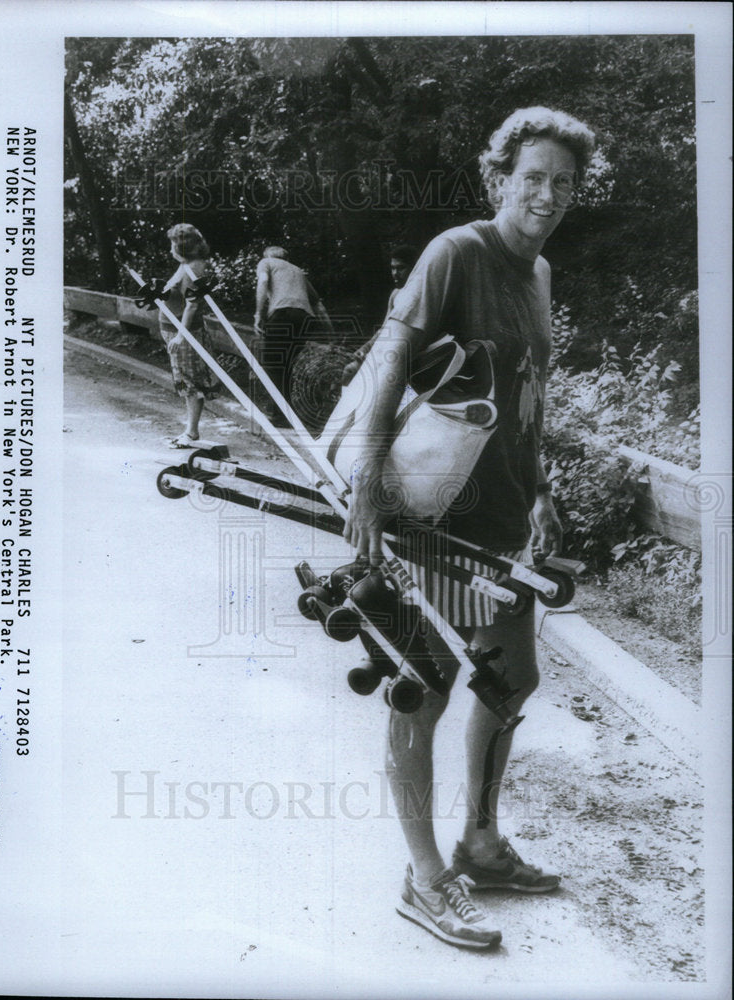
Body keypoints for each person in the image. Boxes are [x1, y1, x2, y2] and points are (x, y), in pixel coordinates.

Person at [342, 107, 596, 949]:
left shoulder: (540, 274)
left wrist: (540, 487)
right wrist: (369, 480)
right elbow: (391, 352)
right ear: (500, 179)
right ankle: (425, 879)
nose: (546, 194)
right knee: (424, 689)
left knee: (509, 679)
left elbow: (525, 395)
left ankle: (480, 843)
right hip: (425, 514)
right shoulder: (457, 252)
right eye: (531, 177)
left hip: (500, 521)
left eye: (562, 182)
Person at [253, 246, 333, 425]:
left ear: (268, 255)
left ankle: (279, 415)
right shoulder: (297, 271)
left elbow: (263, 281)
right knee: (288, 364)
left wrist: (258, 314)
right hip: (305, 319)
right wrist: (331, 336)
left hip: (283, 314)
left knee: (272, 364)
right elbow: (319, 306)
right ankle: (287, 413)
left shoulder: (266, 263)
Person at [159, 223, 219, 448]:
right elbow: (172, 293)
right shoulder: (186, 265)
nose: (170, 249)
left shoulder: (194, 268)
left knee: (189, 381)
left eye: (173, 245)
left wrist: (181, 336)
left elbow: (192, 306)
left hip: (183, 332)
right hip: (173, 329)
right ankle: (190, 430)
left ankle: (192, 432)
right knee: (185, 380)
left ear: (182, 247)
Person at [341, 243, 418, 384]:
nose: (395, 273)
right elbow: (384, 329)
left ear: (413, 269)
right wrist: (365, 349)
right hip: (389, 350)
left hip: (411, 353)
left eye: (401, 268)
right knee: (350, 370)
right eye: (392, 268)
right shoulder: (396, 294)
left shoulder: (420, 293)